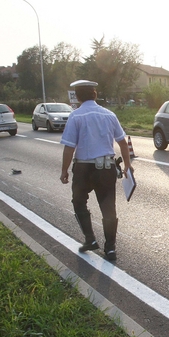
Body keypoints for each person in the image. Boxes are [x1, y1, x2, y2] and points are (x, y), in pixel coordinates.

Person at [60, 79, 132, 261]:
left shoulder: (75, 116)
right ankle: (110, 249)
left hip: (83, 168)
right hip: (106, 168)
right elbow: (123, 143)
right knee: (108, 208)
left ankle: (90, 239)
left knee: (78, 201)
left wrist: (64, 171)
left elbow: (69, 147)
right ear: (95, 94)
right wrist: (127, 165)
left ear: (77, 96)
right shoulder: (109, 115)